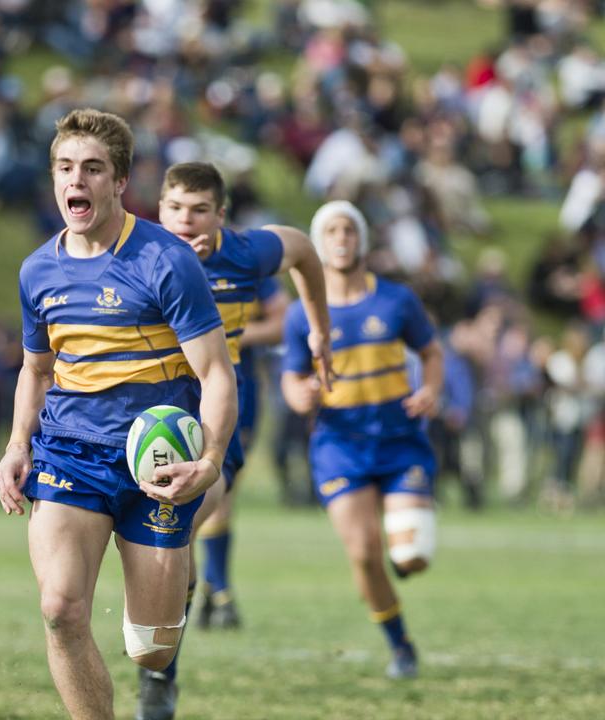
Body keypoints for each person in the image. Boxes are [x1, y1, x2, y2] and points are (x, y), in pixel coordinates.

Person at [0, 108, 239, 720]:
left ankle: (176, 585)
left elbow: (215, 373)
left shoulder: (166, 259)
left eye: (94, 169)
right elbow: (37, 370)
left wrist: (208, 462)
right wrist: (17, 444)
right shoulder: (37, 270)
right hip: (70, 452)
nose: (78, 179)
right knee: (60, 608)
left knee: (151, 651)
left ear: (120, 181)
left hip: (157, 465)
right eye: (66, 168)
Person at [140, 161, 332, 719]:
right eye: (175, 208)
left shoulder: (245, 253)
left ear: (220, 214)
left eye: (199, 210)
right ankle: (174, 637)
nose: (186, 219)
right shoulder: (141, 254)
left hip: (225, 414)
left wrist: (318, 325)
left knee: (177, 528)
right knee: (162, 541)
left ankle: (158, 678)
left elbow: (300, 248)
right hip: (152, 412)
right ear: (160, 209)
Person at [281, 200, 442, 680]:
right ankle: (402, 647)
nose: (341, 238)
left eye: (349, 229)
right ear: (319, 242)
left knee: (411, 557)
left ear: (362, 239)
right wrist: (303, 395)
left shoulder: (396, 300)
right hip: (340, 446)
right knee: (363, 554)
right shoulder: (300, 315)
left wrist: (431, 388)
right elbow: (290, 381)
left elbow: (431, 352)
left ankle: (404, 554)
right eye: (331, 230)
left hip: (399, 442)